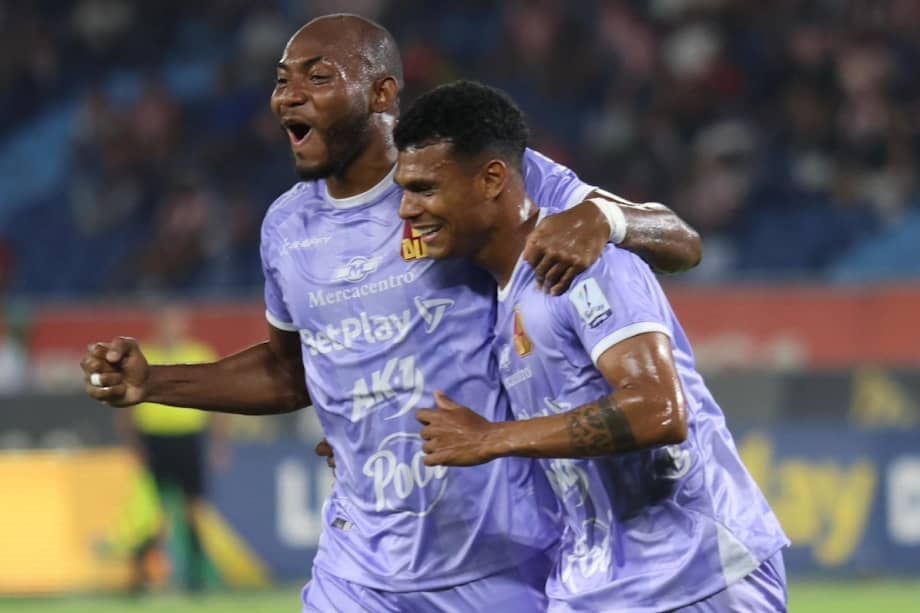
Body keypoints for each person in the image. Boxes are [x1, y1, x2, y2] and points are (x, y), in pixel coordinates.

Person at [81, 14, 701, 611]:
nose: (288, 97)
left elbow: (679, 240)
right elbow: (289, 372)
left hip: (503, 556)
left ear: (382, 93)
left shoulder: (471, 177)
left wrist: (605, 217)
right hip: (358, 563)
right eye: (281, 79)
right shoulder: (286, 228)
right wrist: (154, 381)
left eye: (317, 77)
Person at [395, 80, 789, 611]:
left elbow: (659, 411)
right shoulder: (501, 295)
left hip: (696, 574)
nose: (405, 210)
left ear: (492, 179)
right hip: (593, 583)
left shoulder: (584, 260)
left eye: (423, 189)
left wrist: (493, 438)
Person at [113, 306, 228, 592]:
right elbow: (126, 405)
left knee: (192, 511)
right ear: (158, 325)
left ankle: (194, 577)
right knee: (152, 513)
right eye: (167, 323)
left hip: (188, 440)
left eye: (177, 323)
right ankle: (139, 575)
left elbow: (219, 402)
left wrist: (218, 443)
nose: (172, 329)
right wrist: (132, 444)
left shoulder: (200, 353)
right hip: (154, 440)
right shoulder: (143, 356)